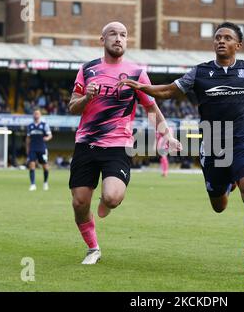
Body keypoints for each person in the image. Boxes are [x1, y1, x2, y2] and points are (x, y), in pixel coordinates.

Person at [119, 22, 244, 270]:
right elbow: (167, 91)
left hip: (243, 140)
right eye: (218, 37)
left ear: (237, 45)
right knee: (219, 205)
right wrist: (143, 87)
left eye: (227, 38)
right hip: (214, 141)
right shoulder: (199, 72)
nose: (221, 41)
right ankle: (228, 183)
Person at [68, 21, 181, 265]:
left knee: (112, 197)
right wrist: (88, 96)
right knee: (79, 203)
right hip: (86, 143)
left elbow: (151, 107)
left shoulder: (136, 72)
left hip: (118, 144)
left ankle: (106, 201)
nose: (118, 38)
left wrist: (167, 135)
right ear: (102, 40)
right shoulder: (87, 70)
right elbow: (73, 106)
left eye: (123, 35)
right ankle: (93, 248)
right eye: (113, 34)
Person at [26, 108, 52, 191]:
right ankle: (33, 184)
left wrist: (47, 138)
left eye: (37, 113)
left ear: (40, 115)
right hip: (32, 148)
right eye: (35, 113)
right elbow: (28, 138)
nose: (36, 115)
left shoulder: (44, 125)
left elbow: (50, 135)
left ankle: (45, 182)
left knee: (45, 166)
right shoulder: (30, 126)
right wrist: (27, 148)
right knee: (32, 165)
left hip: (41, 148)